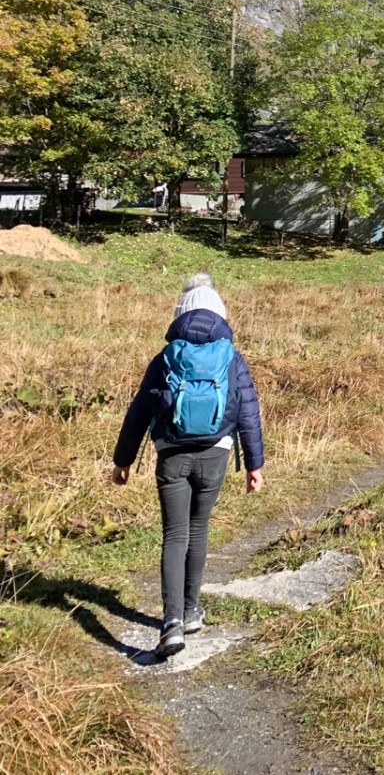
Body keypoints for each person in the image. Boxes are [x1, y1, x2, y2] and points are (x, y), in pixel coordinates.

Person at [112, 272, 265, 660]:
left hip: (172, 455)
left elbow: (138, 412)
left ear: (180, 314)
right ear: (220, 313)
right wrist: (254, 464)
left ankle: (172, 623)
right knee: (199, 530)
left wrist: (123, 460)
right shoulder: (232, 357)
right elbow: (249, 412)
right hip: (216, 454)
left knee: (174, 535)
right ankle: (193, 611)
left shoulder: (165, 358)